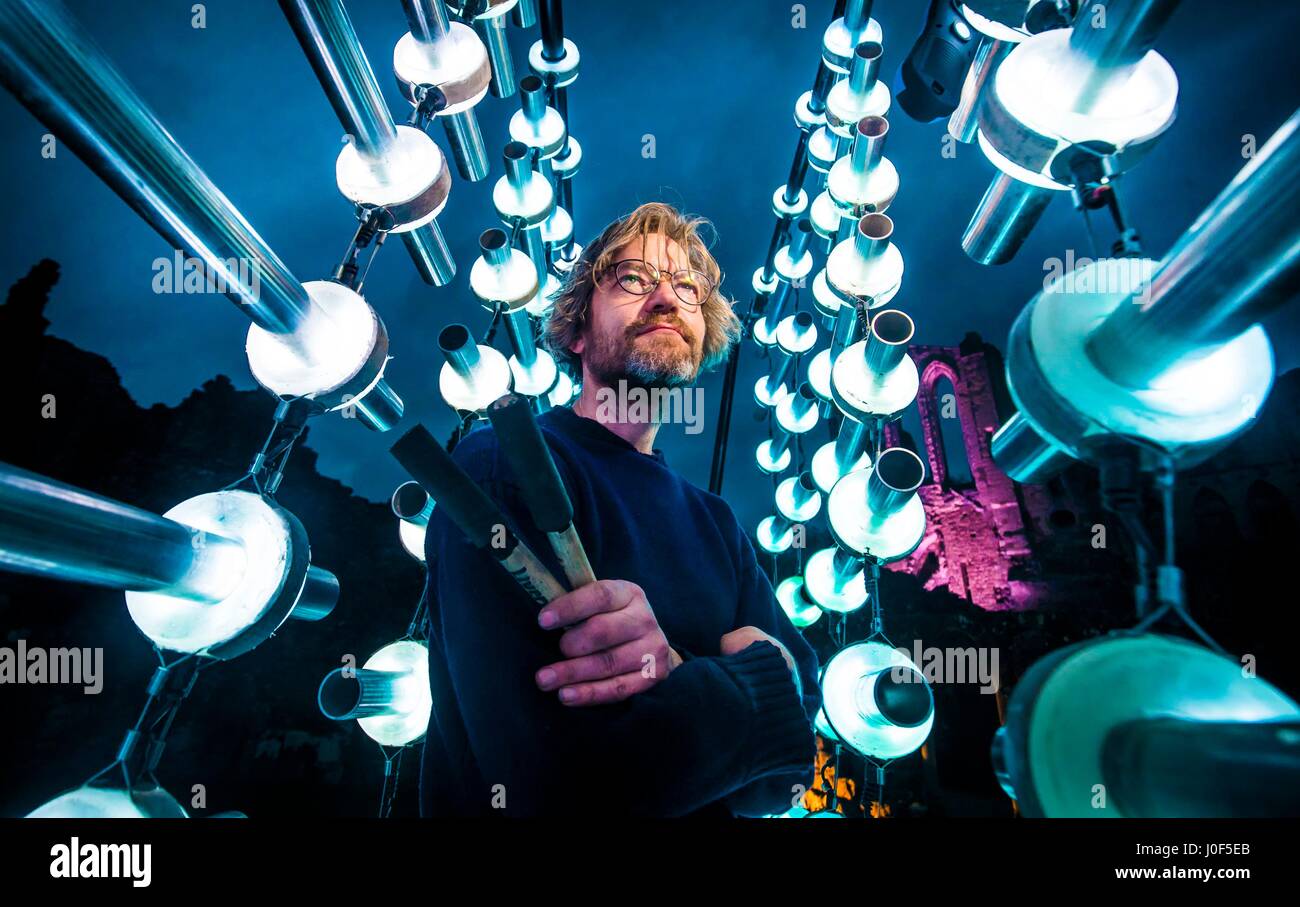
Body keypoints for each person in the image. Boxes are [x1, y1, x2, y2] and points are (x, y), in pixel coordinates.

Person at [419, 202, 820, 817]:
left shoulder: (718, 523)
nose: (666, 299)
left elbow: (786, 772)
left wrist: (683, 676)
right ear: (577, 331)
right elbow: (556, 784)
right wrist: (759, 683)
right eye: (633, 279)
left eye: (687, 287)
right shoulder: (502, 465)